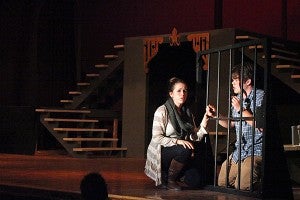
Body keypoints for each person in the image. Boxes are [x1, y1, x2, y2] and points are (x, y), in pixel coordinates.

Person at [144, 77, 211, 190]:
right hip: (162, 153)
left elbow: (195, 137)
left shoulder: (187, 112)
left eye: (185, 91)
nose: (182, 94)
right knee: (184, 148)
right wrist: (177, 141)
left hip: (180, 154)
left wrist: (206, 118)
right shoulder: (162, 110)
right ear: (171, 94)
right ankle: (170, 180)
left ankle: (176, 175)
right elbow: (156, 138)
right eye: (179, 91)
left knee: (195, 181)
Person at [206, 62, 264, 190]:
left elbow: (260, 126)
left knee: (242, 186)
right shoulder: (238, 98)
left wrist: (241, 109)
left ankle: (266, 186)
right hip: (240, 151)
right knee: (222, 183)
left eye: (235, 80)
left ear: (248, 81)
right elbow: (230, 124)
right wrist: (216, 116)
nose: (232, 83)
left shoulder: (260, 96)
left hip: (256, 150)